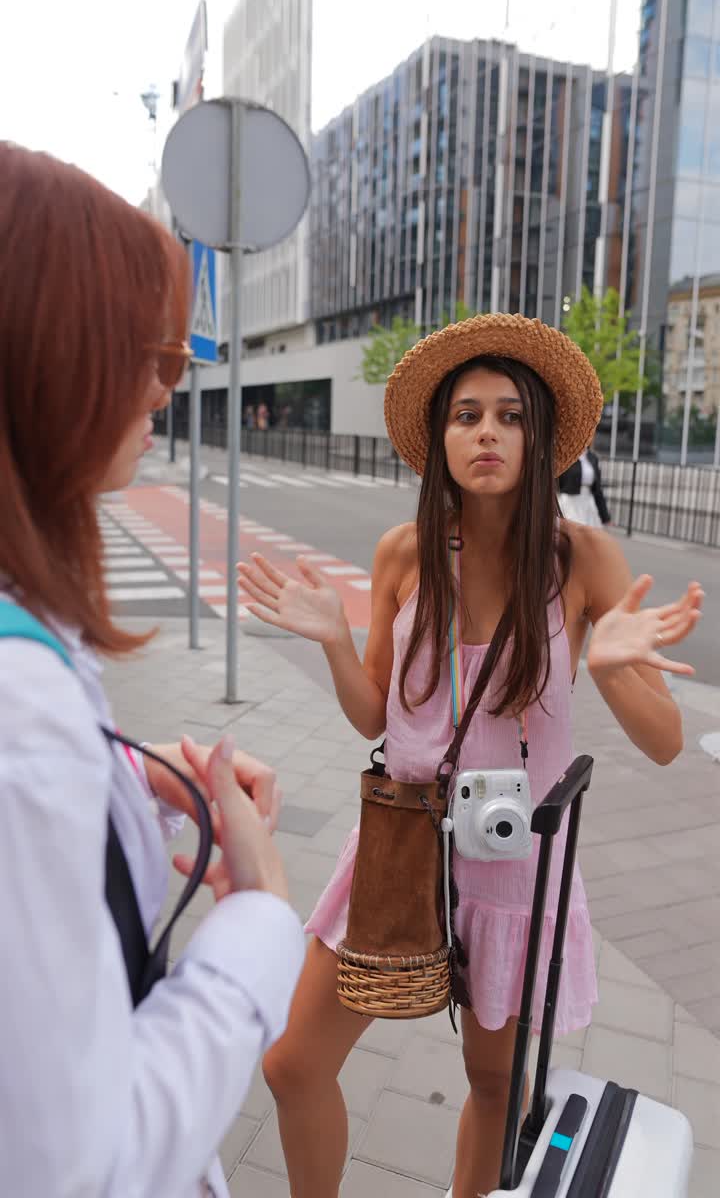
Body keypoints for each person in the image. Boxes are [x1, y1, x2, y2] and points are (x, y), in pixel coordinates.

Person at [237, 313, 702, 1198]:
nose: (486, 433)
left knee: (495, 1086)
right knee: (294, 1066)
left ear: (539, 437)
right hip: (401, 847)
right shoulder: (405, 553)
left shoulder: (583, 561)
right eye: (466, 416)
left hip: (515, 869)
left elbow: (670, 744)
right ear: (440, 438)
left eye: (509, 416)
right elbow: (375, 712)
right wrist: (337, 641)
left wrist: (606, 669)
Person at [0, 142, 305, 1198]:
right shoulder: (21, 711)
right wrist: (263, 914)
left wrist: (125, 786)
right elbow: (81, 1164)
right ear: (54, 354)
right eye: (153, 356)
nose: (165, 391)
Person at [557, 441, 611, 527]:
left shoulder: (593, 458)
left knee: (590, 532)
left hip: (587, 500)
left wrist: (605, 517)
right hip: (570, 500)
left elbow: (598, 489)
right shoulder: (567, 457)